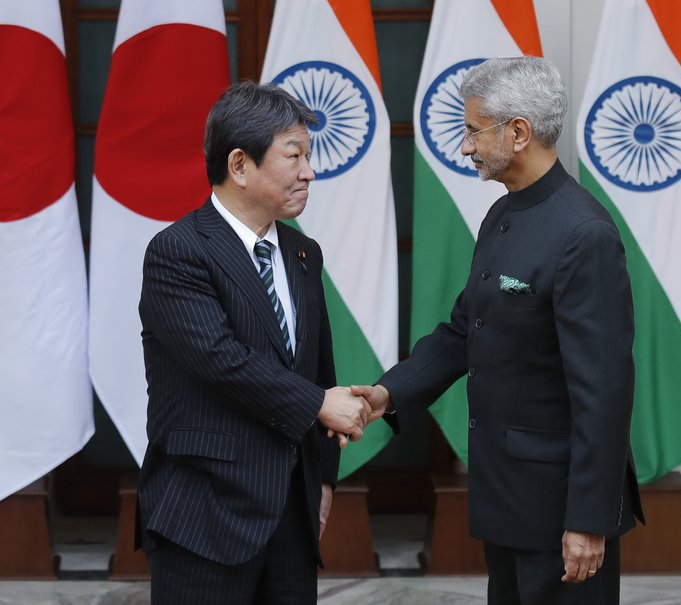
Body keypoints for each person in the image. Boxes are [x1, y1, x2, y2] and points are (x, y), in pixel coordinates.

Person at [353, 56, 644, 604]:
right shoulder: (502, 215)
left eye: (472, 131)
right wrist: (387, 394)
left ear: (518, 133)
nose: (465, 147)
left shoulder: (584, 234)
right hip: (508, 501)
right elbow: (465, 330)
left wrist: (588, 520)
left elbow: (603, 393)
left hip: (561, 513)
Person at [136, 82, 372, 605]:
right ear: (240, 165)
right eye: (295, 156)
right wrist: (318, 405)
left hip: (293, 512)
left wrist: (324, 481)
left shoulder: (303, 253)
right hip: (205, 514)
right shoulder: (178, 252)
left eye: (308, 156)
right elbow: (220, 362)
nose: (309, 171)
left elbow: (319, 369)